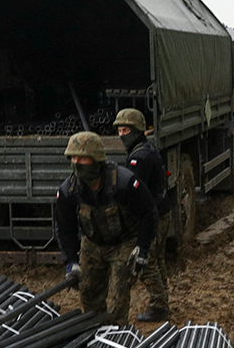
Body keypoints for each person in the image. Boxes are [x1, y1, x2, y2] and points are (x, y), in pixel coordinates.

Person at [53, 130, 157, 327]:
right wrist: (71, 262)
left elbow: (148, 213)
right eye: (73, 158)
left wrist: (143, 249)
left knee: (120, 292)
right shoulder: (69, 192)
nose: (76, 163)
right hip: (93, 244)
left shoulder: (125, 183)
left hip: (124, 242)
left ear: (96, 160)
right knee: (89, 292)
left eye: (83, 158)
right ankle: (96, 333)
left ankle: (118, 333)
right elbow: (64, 229)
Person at [114, 107, 171, 321]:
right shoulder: (145, 149)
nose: (121, 135)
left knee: (146, 262)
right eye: (119, 130)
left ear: (137, 130)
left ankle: (159, 306)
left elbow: (132, 191)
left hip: (154, 215)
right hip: (162, 211)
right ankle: (162, 299)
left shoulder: (140, 157)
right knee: (158, 259)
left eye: (125, 129)